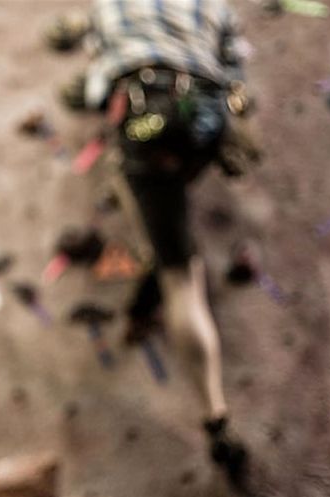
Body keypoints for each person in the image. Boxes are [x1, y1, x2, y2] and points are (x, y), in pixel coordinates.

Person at [79, 0, 253, 485]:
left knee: (180, 278)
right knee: (184, 160)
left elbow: (95, 91)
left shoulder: (109, 6)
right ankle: (178, 184)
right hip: (202, 117)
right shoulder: (213, 5)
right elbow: (238, 75)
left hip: (144, 118)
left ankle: (216, 417)